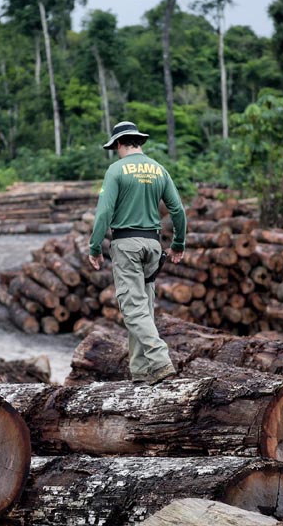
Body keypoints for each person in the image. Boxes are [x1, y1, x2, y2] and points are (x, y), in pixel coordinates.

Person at [88, 121, 187, 385]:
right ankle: (141, 372)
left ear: (120, 144)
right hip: (152, 246)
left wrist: (95, 246)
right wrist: (178, 243)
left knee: (132, 309)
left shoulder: (116, 170)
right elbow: (177, 210)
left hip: (127, 245)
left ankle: (160, 361)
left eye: (115, 147)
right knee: (143, 308)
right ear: (139, 142)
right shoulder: (158, 169)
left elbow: (104, 213)